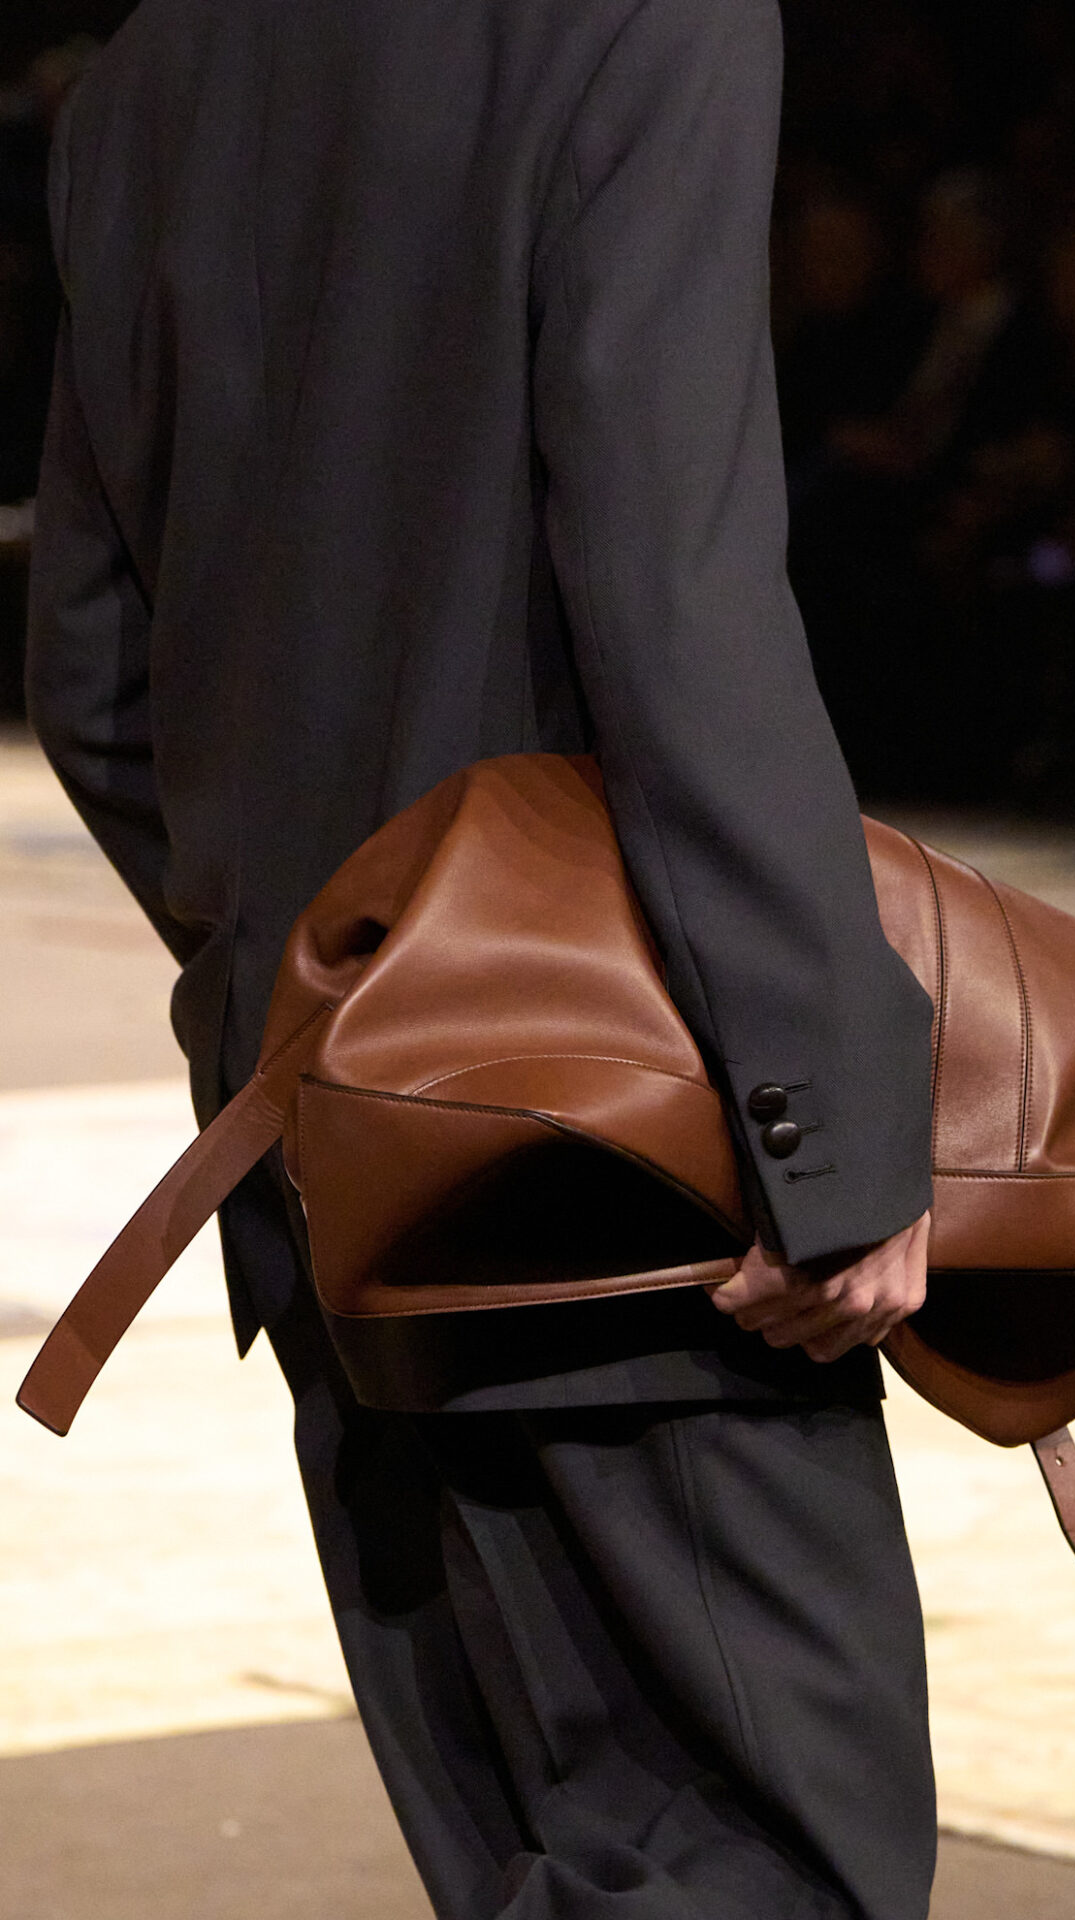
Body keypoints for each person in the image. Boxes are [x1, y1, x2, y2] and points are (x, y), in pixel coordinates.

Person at [25, 1, 937, 1915]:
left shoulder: (151, 76)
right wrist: (828, 1121)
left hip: (327, 1159)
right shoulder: (641, 18)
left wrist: (335, 988)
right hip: (619, 1160)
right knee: (776, 1869)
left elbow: (98, 675)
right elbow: (675, 587)